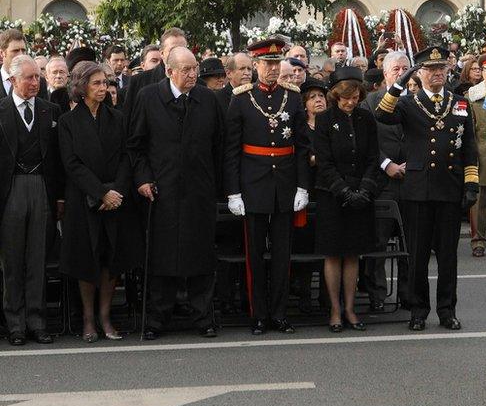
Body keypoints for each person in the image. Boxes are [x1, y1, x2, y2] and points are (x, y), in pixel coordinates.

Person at [374, 46, 478, 331]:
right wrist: (398, 83)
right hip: (417, 189)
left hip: (449, 186)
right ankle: (418, 310)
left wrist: (471, 183)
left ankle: (447, 311)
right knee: (418, 255)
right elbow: (382, 115)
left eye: (441, 68)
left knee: (448, 256)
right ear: (420, 73)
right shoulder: (408, 103)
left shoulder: (460, 103)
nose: (437, 73)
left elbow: (469, 146)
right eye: (431, 69)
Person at [127, 46, 223, 340]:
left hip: (199, 192)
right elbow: (136, 144)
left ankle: (203, 317)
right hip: (162, 192)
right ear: (169, 72)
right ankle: (157, 318)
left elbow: (219, 144)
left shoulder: (208, 99)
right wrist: (143, 178)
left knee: (201, 257)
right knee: (161, 258)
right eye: (186, 70)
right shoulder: (148, 97)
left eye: (195, 68)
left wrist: (214, 184)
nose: (194, 74)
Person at [225, 37, 311, 336]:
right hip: (253, 184)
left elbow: (302, 146)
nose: (272, 69)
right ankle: (258, 314)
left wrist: (302, 187)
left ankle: (279, 313)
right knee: (255, 256)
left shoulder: (294, 97)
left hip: (285, 184)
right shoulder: (240, 98)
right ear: (256, 65)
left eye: (276, 64)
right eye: (266, 64)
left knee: (282, 255)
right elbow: (232, 150)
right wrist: (234, 191)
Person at [58, 61, 138, 343]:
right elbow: (72, 163)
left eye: (106, 83)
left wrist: (115, 192)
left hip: (115, 202)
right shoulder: (68, 122)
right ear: (82, 87)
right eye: (97, 84)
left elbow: (127, 158)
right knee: (86, 259)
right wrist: (99, 193)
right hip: (84, 201)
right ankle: (88, 319)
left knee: (110, 260)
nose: (104, 88)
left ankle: (106, 317)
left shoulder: (118, 118)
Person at [0, 55, 62, 346]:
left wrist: (58, 197)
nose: (35, 82)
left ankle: (37, 322)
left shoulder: (51, 111)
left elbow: (59, 160)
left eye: (37, 77)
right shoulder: (0, 111)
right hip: (10, 189)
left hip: (41, 187)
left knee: (38, 257)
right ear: (12, 81)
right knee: (12, 260)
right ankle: (15, 324)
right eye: (28, 77)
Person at [314, 67, 381, 332]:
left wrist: (364, 189)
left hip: (360, 194)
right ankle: (334, 309)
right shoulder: (325, 120)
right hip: (333, 193)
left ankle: (351, 308)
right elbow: (324, 162)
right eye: (346, 98)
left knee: (353, 254)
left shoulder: (366, 118)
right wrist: (343, 191)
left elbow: (373, 158)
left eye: (355, 97)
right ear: (336, 96)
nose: (351, 102)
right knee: (333, 254)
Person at [363, 52, 410, 311]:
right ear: (385, 73)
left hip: (413, 181)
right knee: (378, 242)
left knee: (411, 242)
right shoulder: (370, 102)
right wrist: (387, 165)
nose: (401, 72)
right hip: (383, 182)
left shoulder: (416, 101)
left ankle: (408, 293)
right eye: (396, 69)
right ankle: (377, 294)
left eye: (405, 68)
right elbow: (366, 141)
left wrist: (411, 166)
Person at [292, 78, 329, 313]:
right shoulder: (301, 127)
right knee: (305, 245)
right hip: (306, 191)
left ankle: (327, 297)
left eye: (321, 96)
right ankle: (304, 295)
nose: (318, 100)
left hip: (328, 190)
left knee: (327, 247)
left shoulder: (331, 124)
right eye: (313, 97)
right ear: (305, 103)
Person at [466, 54, 486, 256]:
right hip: (482, 146)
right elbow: (469, 130)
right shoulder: (473, 96)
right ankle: (478, 240)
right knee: (480, 198)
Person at [123, 28, 187, 121]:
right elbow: (129, 121)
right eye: (172, 50)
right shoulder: (139, 82)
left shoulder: (198, 84)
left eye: (182, 49)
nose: (178, 53)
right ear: (162, 53)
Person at [1, 29, 49, 100]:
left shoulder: (39, 81)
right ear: (2, 53)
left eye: (23, 50)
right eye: (15, 51)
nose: (20, 54)